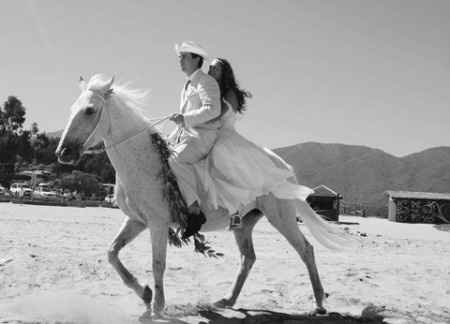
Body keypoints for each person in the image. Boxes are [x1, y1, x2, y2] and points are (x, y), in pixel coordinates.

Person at [202, 58, 314, 227]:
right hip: (212, 134)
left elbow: (217, 115)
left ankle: (235, 211)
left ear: (224, 72)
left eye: (215, 69)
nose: (211, 71)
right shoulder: (212, 92)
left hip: (225, 137)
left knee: (221, 161)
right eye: (209, 68)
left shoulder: (229, 93)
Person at [168, 41, 222, 238]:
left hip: (203, 135)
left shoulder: (206, 82)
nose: (180, 61)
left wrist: (185, 119)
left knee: (176, 159)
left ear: (196, 59)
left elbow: (212, 109)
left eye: (184, 57)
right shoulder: (188, 84)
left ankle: (194, 211)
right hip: (188, 134)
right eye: (179, 57)